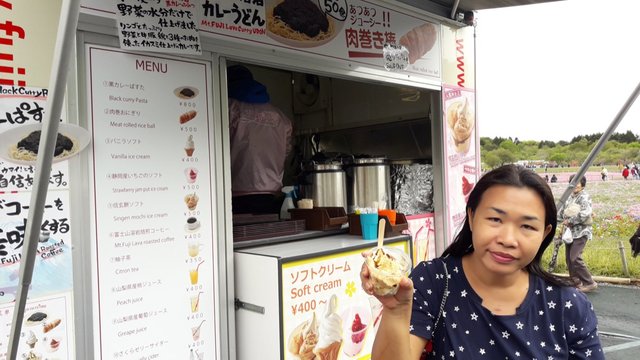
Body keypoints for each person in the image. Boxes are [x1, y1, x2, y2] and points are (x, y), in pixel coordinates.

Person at [361, 165, 603, 359]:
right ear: (472, 217)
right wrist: (395, 310)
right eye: (495, 219)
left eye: (527, 226)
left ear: (545, 232)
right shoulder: (433, 282)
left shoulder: (568, 306)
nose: (508, 239)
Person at [227, 65, 293, 214]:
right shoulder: (281, 117)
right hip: (271, 194)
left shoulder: (228, 108)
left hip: (236, 193)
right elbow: (285, 151)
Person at [559, 174, 597, 293]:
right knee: (569, 259)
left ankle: (589, 282)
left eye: (578, 183)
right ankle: (575, 281)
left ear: (583, 184)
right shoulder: (570, 197)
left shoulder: (584, 197)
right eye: (573, 182)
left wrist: (570, 221)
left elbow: (585, 213)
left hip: (581, 231)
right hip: (569, 232)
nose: (575, 185)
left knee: (575, 257)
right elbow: (561, 213)